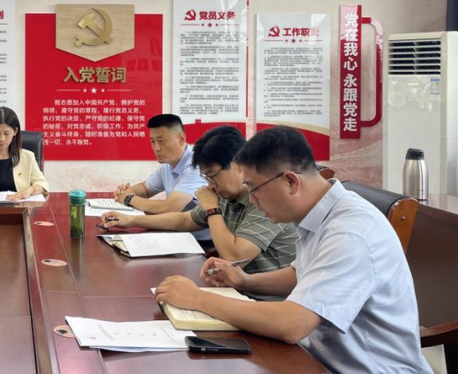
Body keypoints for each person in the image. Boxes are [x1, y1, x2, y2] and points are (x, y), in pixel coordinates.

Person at [154, 126, 431, 373]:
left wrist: (197, 299)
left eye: (254, 188)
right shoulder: (319, 213)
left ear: (290, 181)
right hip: (314, 357)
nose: (252, 199)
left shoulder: (349, 232)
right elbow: (302, 274)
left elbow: (292, 324)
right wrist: (245, 280)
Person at [101, 125, 296, 296]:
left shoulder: (262, 198)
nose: (210, 184)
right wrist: (132, 221)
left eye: (212, 175)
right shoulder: (224, 193)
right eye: (206, 178)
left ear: (237, 166)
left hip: (263, 300)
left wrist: (212, 208)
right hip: (232, 290)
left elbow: (234, 258)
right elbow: (184, 220)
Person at [113, 114, 205, 214]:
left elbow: (169, 207)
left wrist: (129, 198)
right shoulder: (167, 165)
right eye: (153, 141)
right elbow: (145, 189)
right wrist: (123, 193)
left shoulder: (196, 166)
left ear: (181, 139)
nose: (156, 148)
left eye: (161, 141)